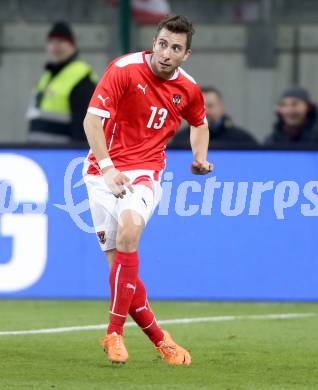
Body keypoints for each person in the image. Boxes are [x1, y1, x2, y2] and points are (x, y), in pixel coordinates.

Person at [83, 15, 212, 365]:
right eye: (162, 44)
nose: (166, 53)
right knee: (120, 269)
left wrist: (199, 156)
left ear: (186, 54)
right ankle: (160, 339)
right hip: (101, 171)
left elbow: (200, 124)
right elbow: (91, 121)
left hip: (144, 171)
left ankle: (113, 333)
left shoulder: (187, 88)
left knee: (129, 230)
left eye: (175, 48)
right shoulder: (123, 69)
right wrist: (108, 169)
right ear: (153, 42)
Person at [27, 22, 97, 144]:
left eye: (60, 42)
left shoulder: (81, 77)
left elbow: (84, 125)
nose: (55, 47)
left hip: (63, 154)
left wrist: (76, 153)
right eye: (51, 42)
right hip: (40, 152)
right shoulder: (48, 75)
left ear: (72, 45)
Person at [169, 86, 257, 148]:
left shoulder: (240, 138)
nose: (205, 111)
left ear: (221, 107)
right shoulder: (182, 138)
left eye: (210, 106)